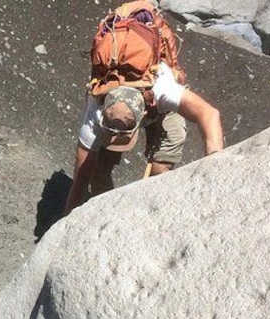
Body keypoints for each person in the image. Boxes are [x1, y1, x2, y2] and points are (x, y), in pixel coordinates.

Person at [63, 5, 224, 215]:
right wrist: (66, 221)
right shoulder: (97, 108)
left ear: (141, 118)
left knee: (160, 170)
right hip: (136, 105)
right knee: (98, 173)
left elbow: (209, 114)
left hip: (160, 110)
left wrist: (215, 170)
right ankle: (111, 215)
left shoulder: (164, 90)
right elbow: (81, 177)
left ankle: (149, 214)